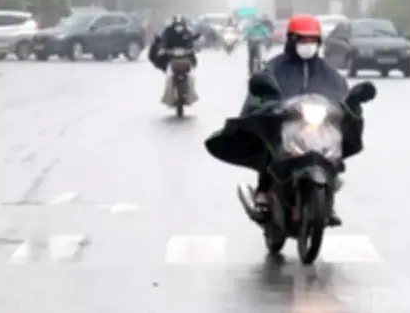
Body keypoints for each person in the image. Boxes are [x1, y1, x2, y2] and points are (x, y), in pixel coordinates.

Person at [206, 14, 355, 226]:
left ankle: (327, 199)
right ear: (292, 40)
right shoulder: (275, 67)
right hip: (285, 124)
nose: (308, 45)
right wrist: (270, 106)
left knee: (332, 151)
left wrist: (351, 105)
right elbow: (259, 95)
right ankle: (263, 193)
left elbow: (340, 95)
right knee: (270, 147)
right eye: (303, 40)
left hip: (315, 127)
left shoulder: (328, 72)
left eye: (312, 40)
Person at [148, 15, 201, 106]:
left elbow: (191, 41)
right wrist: (162, 49)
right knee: (169, 77)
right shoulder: (168, 32)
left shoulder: (187, 32)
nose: (179, 27)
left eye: (180, 25)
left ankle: (191, 96)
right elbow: (163, 41)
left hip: (186, 59)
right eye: (177, 25)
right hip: (171, 59)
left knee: (192, 77)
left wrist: (193, 48)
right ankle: (168, 98)